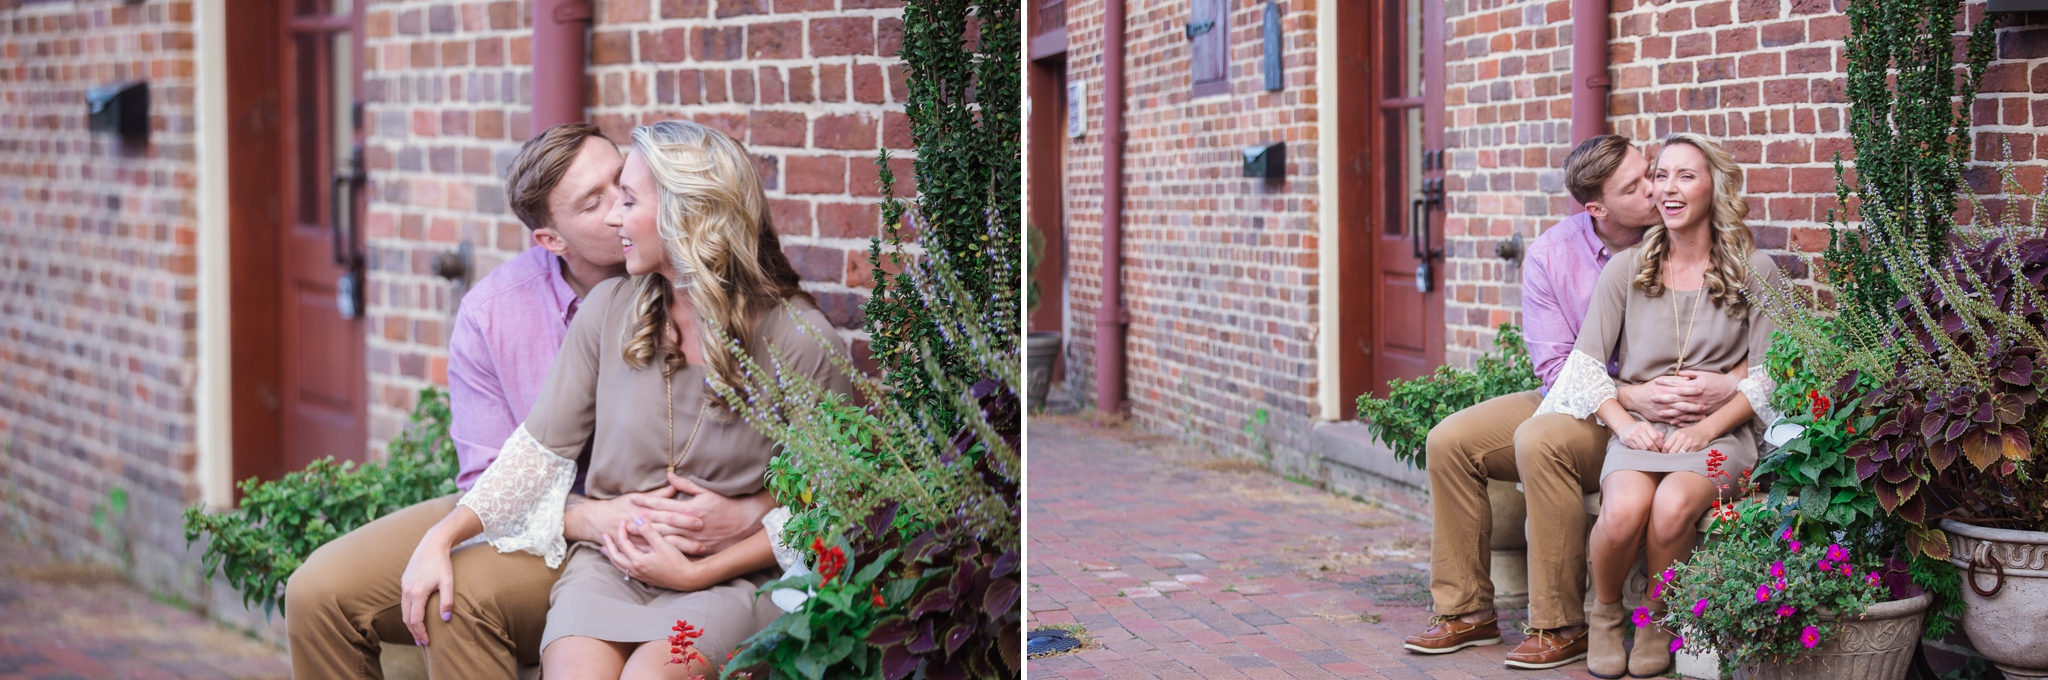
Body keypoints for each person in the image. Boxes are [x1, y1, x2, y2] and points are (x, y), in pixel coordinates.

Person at [287, 123, 779, 678]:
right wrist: (588, 518)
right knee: (317, 593)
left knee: (458, 601)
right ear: (553, 239)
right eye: (596, 203)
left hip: (656, 532)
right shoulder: (496, 313)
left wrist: (754, 511)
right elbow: (496, 476)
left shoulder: (724, 309)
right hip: (547, 517)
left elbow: (788, 477)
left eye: (625, 185)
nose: (619, 208)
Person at [397, 119, 851, 680]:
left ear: (686, 213)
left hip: (730, 580)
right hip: (610, 569)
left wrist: (696, 573)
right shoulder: (611, 308)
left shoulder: (800, 341)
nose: (614, 218)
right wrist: (440, 538)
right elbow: (534, 457)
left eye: (629, 199)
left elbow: (830, 510)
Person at [1402, 134, 1750, 670]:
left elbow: (1763, 352)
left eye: (1654, 173)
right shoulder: (1554, 255)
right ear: (1598, 208)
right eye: (1638, 185)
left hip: (1662, 412)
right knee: (1450, 441)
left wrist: (1720, 387)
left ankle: (1559, 622)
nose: (1657, 191)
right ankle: (1466, 611)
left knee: (1540, 442)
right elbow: (1560, 372)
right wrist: (1633, 396)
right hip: (1593, 401)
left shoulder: (1686, 233)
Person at [1545, 133, 1779, 678]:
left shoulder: (1755, 270)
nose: (1668, 189)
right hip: (1642, 430)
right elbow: (1582, 369)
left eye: (1685, 176)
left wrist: (1707, 428)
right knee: (1623, 512)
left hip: (1720, 435)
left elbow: (1771, 377)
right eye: (1661, 175)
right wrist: (1626, 426)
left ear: (1712, 187)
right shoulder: (1627, 269)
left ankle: (1655, 620)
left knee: (1673, 506)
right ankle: (1605, 613)